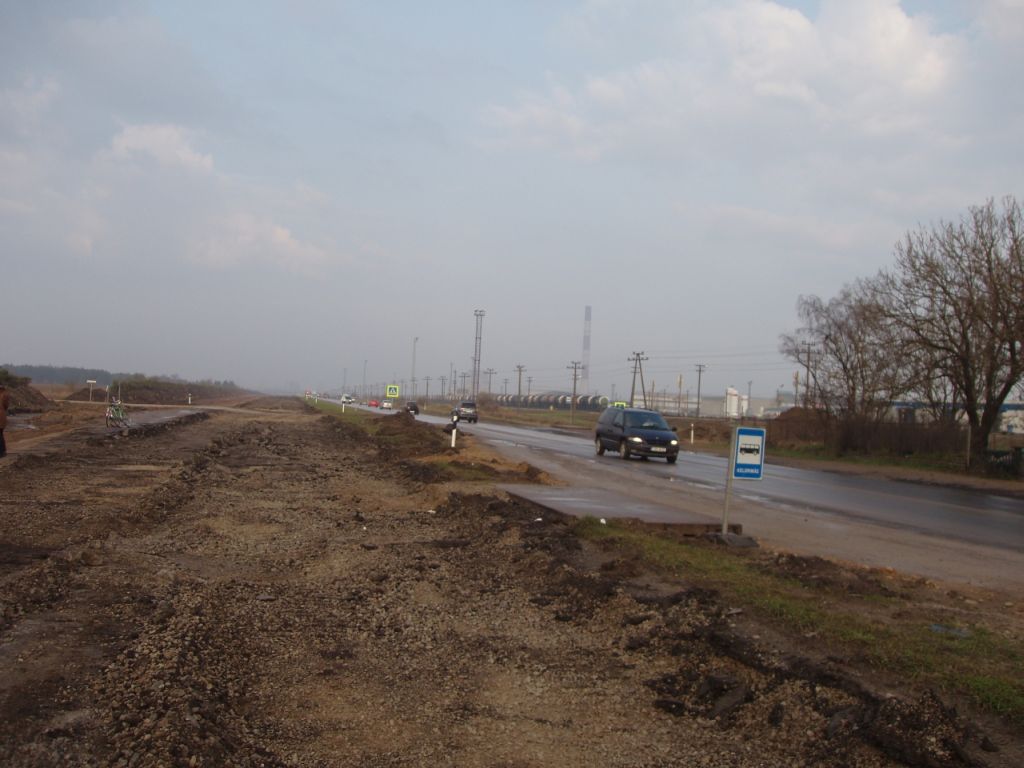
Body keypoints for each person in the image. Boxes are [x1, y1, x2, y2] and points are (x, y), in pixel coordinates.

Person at [0, 382, 9, 458]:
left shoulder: (3, 394)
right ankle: (3, 451)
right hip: (2, 417)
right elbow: (6, 406)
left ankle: (1, 452)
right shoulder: (4, 394)